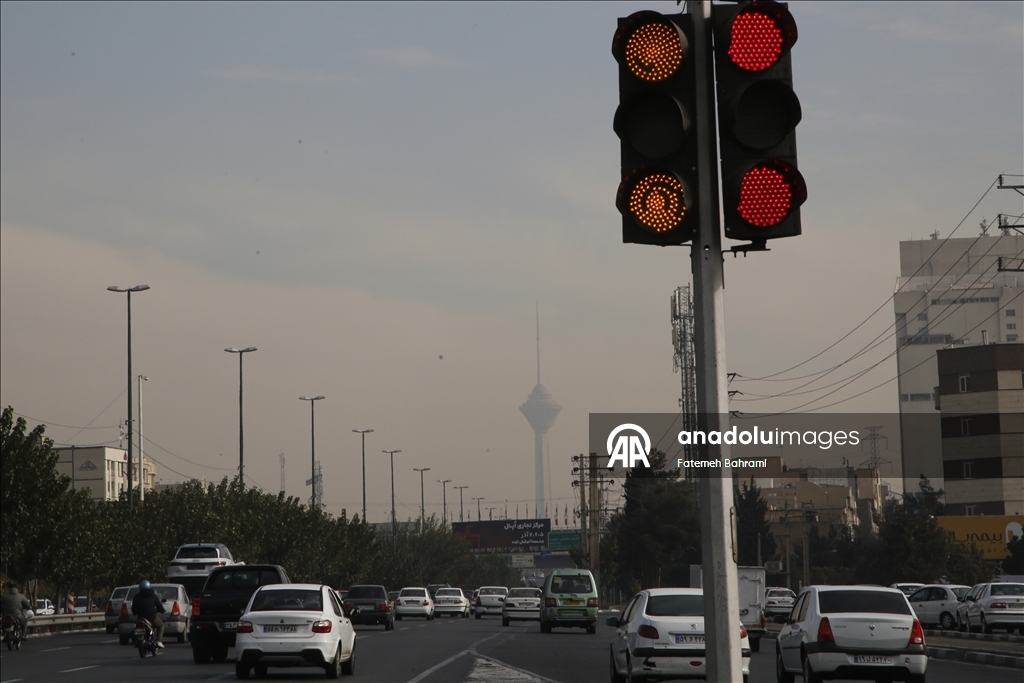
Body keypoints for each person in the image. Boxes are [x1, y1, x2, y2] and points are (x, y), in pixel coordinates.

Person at [130, 580, 166, 648]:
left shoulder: (137, 596)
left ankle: (138, 640)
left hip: (140, 618)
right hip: (151, 617)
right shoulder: (153, 596)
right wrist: (162, 611)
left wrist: (135, 613)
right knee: (161, 625)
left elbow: (133, 608)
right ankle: (159, 640)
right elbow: (159, 606)